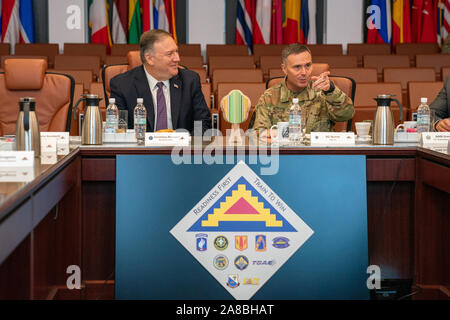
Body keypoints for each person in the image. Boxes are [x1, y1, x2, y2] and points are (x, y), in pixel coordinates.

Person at [109, 29, 211, 134]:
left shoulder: (190, 81)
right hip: (141, 148)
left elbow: (203, 122)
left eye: (176, 51)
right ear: (150, 59)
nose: (177, 58)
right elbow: (119, 128)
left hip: (180, 147)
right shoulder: (122, 85)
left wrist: (185, 141)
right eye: (170, 54)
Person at [251, 44, 354, 136]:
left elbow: (348, 114)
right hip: (285, 154)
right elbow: (259, 134)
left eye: (308, 65)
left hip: (319, 154)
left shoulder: (323, 92)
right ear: (284, 68)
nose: (304, 72)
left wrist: (331, 90)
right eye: (297, 67)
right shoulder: (269, 97)